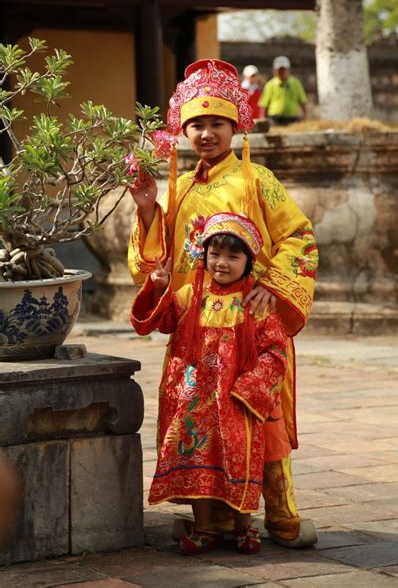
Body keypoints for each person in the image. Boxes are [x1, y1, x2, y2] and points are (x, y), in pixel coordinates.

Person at [128, 58, 318, 548]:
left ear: (236, 125)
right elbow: (162, 262)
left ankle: (280, 513)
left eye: (216, 123)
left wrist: (272, 285)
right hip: (196, 326)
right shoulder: (183, 186)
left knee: (261, 414)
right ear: (183, 130)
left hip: (251, 320)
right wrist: (148, 209)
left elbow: (299, 236)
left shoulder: (259, 180)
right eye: (196, 124)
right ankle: (212, 516)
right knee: (199, 419)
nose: (206, 133)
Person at [131, 213, 288, 556]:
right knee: (192, 455)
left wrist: (249, 391)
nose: (222, 263)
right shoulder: (189, 295)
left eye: (234, 256)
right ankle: (203, 527)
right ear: (203, 255)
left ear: (249, 262)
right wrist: (159, 286)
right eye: (215, 254)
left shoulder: (256, 305)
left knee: (240, 456)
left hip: (237, 400)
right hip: (193, 401)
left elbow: (275, 352)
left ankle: (244, 525)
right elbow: (159, 322)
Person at [259, 55, 308, 124]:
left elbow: (303, 102)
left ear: (289, 69)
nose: (281, 72)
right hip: (274, 120)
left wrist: (305, 118)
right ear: (275, 71)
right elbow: (264, 105)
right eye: (279, 69)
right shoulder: (270, 85)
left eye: (284, 69)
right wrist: (263, 122)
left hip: (292, 120)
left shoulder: (296, 83)